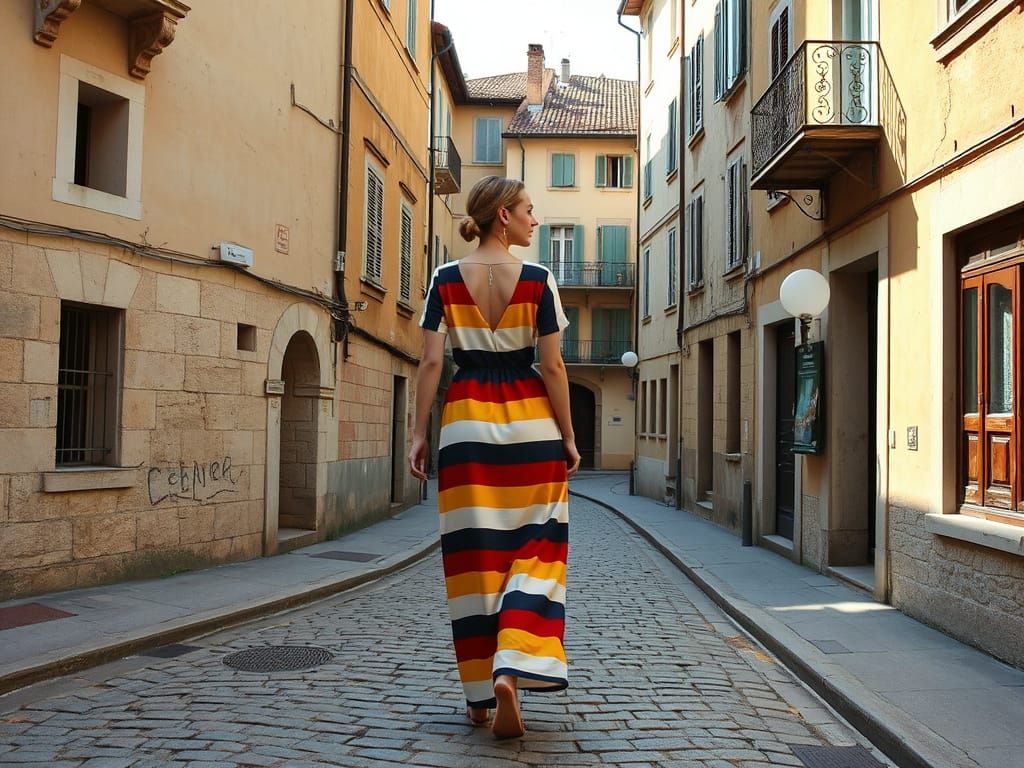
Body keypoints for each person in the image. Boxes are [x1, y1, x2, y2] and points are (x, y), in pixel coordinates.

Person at [409, 175, 580, 739]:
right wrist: (570, 438)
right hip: (531, 429)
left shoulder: (443, 279)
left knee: (473, 563)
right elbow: (553, 368)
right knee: (538, 552)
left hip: (466, 431)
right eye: (529, 211)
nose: (536, 220)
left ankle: (480, 699)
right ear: (503, 216)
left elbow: (431, 363)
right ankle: (515, 666)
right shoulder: (539, 280)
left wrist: (417, 434)